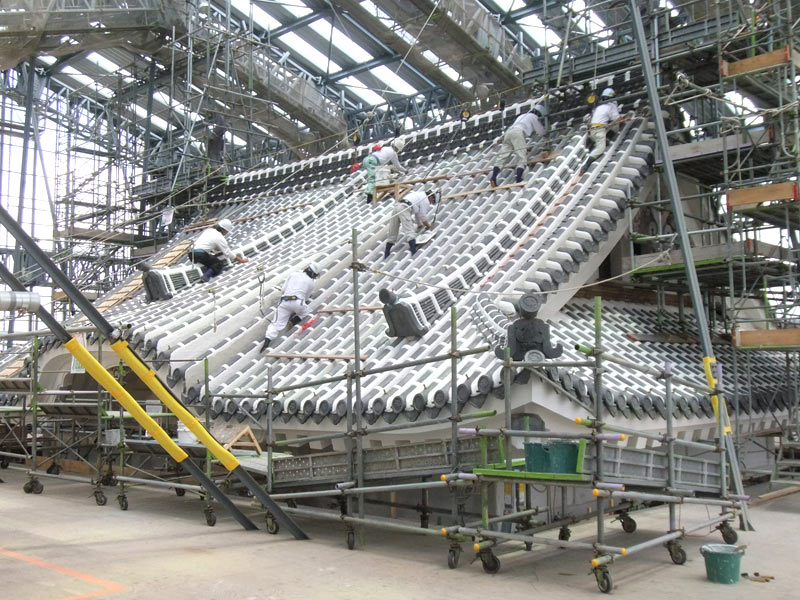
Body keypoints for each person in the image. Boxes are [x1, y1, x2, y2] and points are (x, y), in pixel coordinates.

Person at [260, 263, 320, 353]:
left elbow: (283, 290)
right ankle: (294, 321)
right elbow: (306, 298)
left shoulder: (293, 274)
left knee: (275, 324)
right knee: (308, 314)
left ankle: (266, 343)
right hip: (298, 302)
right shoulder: (311, 283)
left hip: (284, 301)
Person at [490, 103, 546, 187]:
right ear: (538, 113)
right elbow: (540, 131)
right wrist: (547, 132)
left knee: (502, 157)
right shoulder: (533, 117)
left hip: (509, 133)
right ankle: (518, 178)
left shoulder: (522, 116)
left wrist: (525, 147)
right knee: (522, 157)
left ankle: (493, 177)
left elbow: (517, 141)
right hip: (518, 133)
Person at [188, 218, 248, 283]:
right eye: (227, 231)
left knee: (211, 261)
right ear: (224, 230)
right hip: (200, 254)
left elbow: (213, 247)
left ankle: (207, 273)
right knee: (218, 264)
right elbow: (228, 253)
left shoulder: (209, 230)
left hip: (191, 253)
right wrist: (241, 260)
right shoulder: (220, 237)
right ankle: (205, 277)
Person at [384, 189, 438, 258]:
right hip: (404, 208)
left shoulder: (419, 195)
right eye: (432, 201)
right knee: (409, 229)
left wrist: (419, 225)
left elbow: (417, 214)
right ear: (431, 197)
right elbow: (422, 215)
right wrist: (428, 225)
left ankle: (386, 253)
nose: (431, 203)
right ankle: (413, 251)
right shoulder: (425, 200)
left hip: (397, 207)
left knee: (393, 229)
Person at [350, 138, 406, 204]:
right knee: (373, 179)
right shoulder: (393, 153)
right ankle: (370, 197)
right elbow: (398, 166)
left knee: (374, 176)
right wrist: (405, 171)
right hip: (372, 162)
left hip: (367, 160)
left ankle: (370, 193)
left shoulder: (385, 148)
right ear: (397, 148)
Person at [581, 87, 621, 174]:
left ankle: (595, 140)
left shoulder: (598, 107)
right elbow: (617, 119)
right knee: (600, 149)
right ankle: (586, 165)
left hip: (592, 130)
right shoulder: (611, 106)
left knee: (607, 126)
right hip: (599, 131)